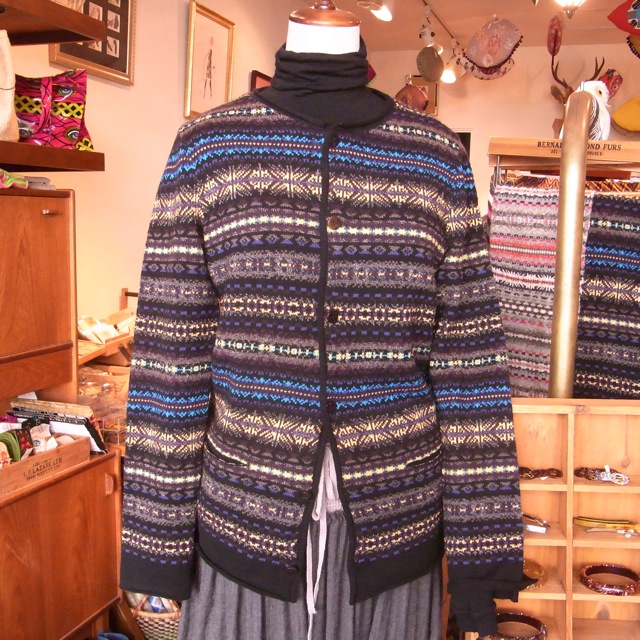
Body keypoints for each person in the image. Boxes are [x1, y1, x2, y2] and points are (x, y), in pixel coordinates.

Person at [120, 3, 531, 639]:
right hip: (246, 525)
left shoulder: (436, 158)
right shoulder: (209, 149)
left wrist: (482, 563)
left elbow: (471, 368)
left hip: (395, 530)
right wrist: (156, 547)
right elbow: (170, 360)